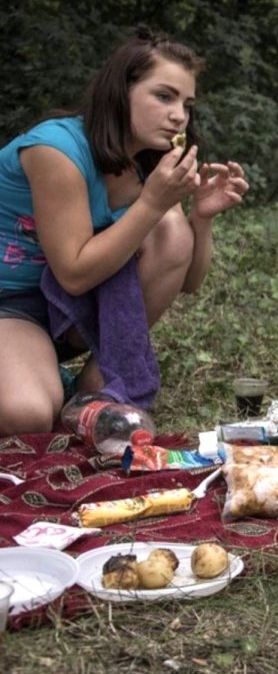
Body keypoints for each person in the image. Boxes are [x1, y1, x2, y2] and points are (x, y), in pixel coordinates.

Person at [0, 28, 249, 434]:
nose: (179, 116)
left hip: (64, 309)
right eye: (163, 96)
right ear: (121, 91)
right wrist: (151, 203)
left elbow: (186, 279)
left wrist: (201, 218)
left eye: (186, 104)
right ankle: (37, 376)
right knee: (27, 415)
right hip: (12, 303)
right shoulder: (56, 150)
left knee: (172, 228)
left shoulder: (149, 164)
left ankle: (96, 382)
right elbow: (75, 273)